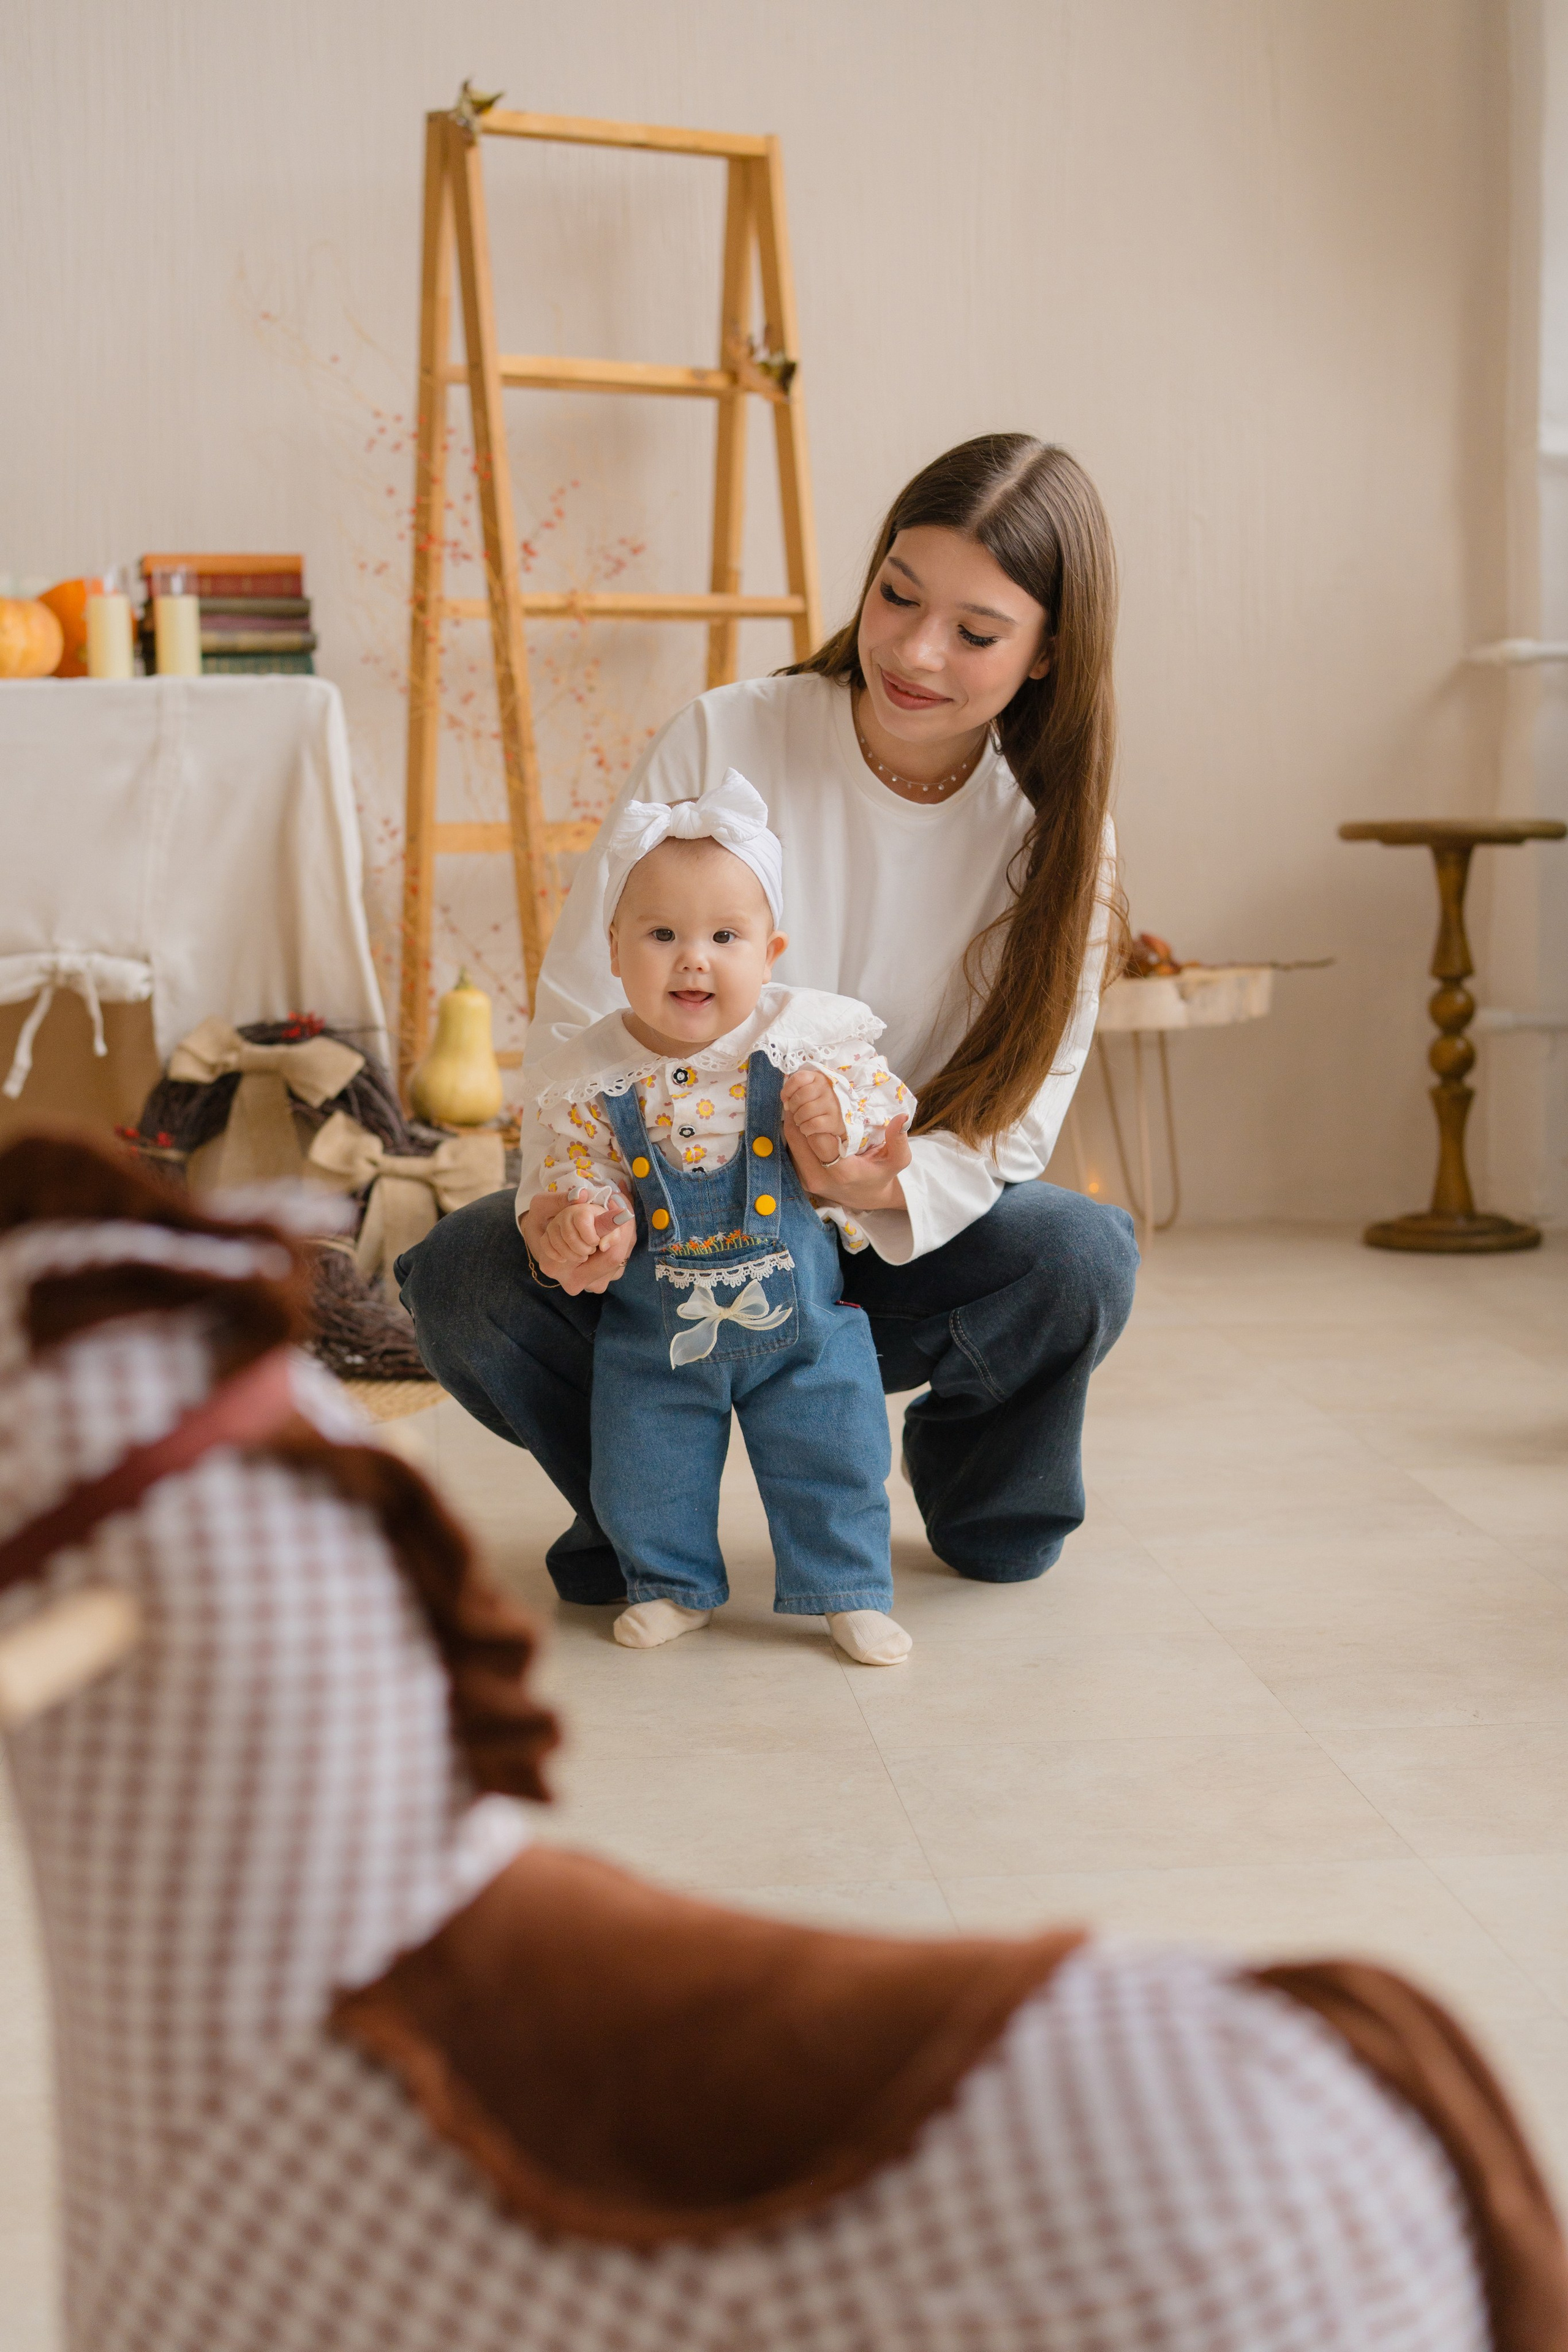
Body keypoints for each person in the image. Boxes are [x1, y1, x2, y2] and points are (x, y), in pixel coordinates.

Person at [398, 433, 1140, 1607]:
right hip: (664, 1250)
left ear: (1050, 653)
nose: (913, 649)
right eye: (897, 594)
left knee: (1080, 1253)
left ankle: (987, 1492)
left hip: (873, 1254)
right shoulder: (729, 736)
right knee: (462, 1275)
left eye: (977, 632)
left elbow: (1016, 1127)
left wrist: (867, 1183)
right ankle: (644, 1506)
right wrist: (575, 1204)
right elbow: (580, 1017)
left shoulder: (1053, 835)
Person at [528, 771, 918, 1665]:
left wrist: (837, 1120)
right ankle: (672, 1583)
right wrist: (594, 1222)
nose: (693, 958)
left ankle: (847, 1588)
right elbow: (575, 1171)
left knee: (834, 1451)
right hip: (658, 1337)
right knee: (644, 1460)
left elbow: (883, 1112)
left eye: (725, 936)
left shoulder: (803, 1043)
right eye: (661, 935)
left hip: (801, 1330)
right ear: (616, 948)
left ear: (770, 951)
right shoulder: (593, 1076)